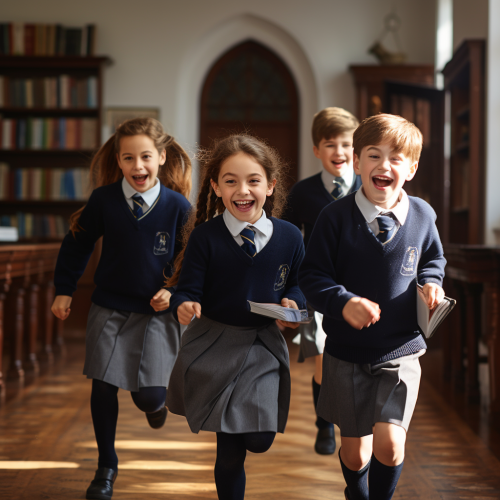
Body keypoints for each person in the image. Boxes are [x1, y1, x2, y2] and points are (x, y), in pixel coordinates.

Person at [298, 114, 446, 500]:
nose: (385, 166)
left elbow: (432, 258)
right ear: (358, 162)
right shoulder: (333, 218)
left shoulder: (423, 215)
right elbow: (311, 276)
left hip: (401, 348)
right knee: (354, 450)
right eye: (374, 156)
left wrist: (432, 282)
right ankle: (356, 493)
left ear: (411, 168)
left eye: (396, 158)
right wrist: (342, 302)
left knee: (390, 443)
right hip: (345, 353)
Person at [51, 118, 192, 500]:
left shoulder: (179, 206)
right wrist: (65, 290)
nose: (138, 166)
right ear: (118, 159)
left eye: (146, 156)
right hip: (109, 306)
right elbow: (77, 244)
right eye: (128, 158)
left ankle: (155, 406)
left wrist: (174, 290)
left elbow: (193, 258)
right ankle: (106, 466)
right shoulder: (104, 200)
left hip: (157, 314)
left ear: (162, 157)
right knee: (103, 385)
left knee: (148, 397)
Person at [165, 134, 306, 500]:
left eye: (253, 180)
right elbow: (188, 288)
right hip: (214, 345)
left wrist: (292, 301)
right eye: (231, 181)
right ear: (215, 186)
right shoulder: (205, 237)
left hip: (263, 344)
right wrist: (184, 304)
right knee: (229, 454)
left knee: (258, 440)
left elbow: (297, 285)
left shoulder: (290, 237)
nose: (243, 190)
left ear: (271, 185)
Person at [283, 107, 360, 455]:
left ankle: (356, 420)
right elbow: (285, 236)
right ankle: (324, 423)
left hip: (360, 288)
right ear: (316, 150)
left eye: (346, 144)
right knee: (323, 359)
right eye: (331, 144)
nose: (339, 152)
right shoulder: (302, 192)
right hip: (318, 288)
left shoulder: (366, 186)